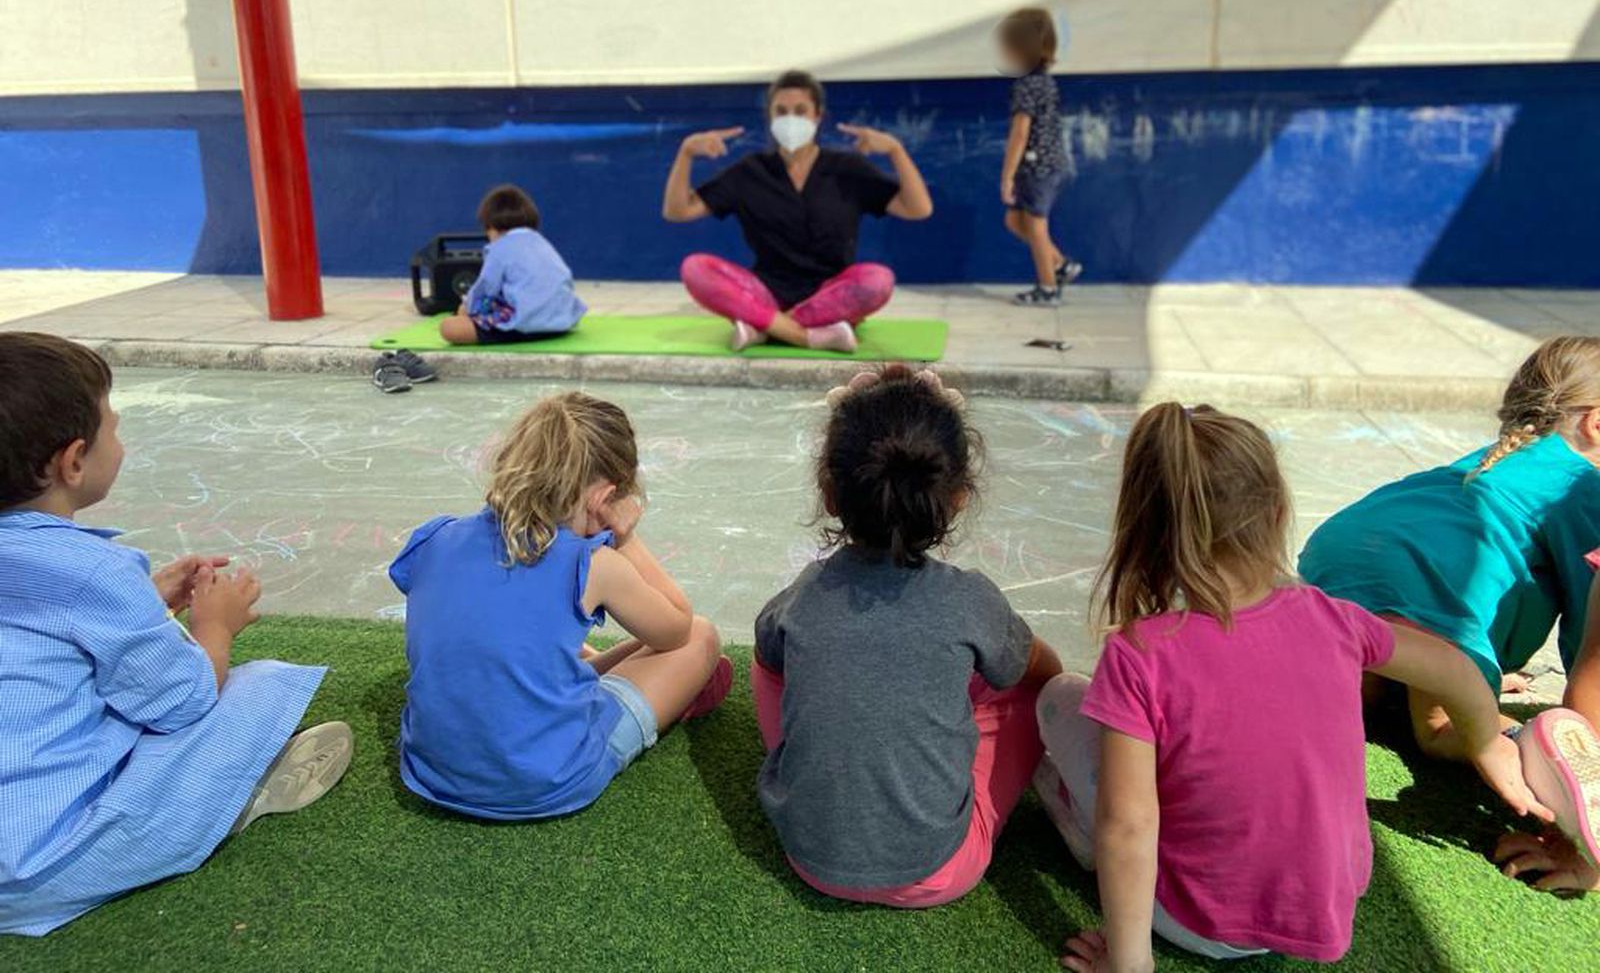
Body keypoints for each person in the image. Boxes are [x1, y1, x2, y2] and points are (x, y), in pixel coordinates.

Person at [1036, 403, 1551, 970]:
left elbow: (1129, 823)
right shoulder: (1335, 618)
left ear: (1144, 529)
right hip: (1330, 900)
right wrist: (1485, 742)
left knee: (1060, 696)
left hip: (1200, 921)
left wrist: (1130, 965)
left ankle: (1081, 843)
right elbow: (1455, 669)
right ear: (1279, 511)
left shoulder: (1140, 652)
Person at [0, 333, 351, 937]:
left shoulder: (73, 574)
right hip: (37, 870)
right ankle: (221, 802)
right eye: (115, 426)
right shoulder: (95, 572)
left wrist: (145, 604)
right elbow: (179, 700)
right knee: (256, 686)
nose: (121, 439)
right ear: (74, 461)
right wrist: (214, 629)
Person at [752, 365, 1062, 907]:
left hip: (808, 857)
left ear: (829, 492)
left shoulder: (804, 595)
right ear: (960, 496)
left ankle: (811, 770)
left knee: (768, 661)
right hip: (939, 871)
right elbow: (1039, 671)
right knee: (1037, 689)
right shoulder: (972, 601)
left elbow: (768, 653)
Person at [1299, 335, 1600, 891]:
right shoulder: (1588, 484)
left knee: (1363, 682)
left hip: (1343, 555)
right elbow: (1593, 646)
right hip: (1431, 584)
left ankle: (1368, 682)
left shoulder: (1504, 456)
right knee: (1440, 729)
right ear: (1596, 423)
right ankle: (1531, 748)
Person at [389, 391, 732, 819]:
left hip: (432, 769)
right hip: (547, 780)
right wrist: (626, 538)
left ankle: (580, 670)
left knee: (559, 656)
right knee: (701, 636)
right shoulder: (593, 563)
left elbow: (486, 621)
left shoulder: (434, 539)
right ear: (603, 499)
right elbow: (677, 629)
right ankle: (666, 698)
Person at [663, 69, 934, 353]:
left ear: (818, 115)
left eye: (800, 110)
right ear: (770, 118)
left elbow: (917, 208)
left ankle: (765, 328)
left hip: (831, 294)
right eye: (781, 111)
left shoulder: (847, 168)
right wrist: (686, 154)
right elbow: (678, 211)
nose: (790, 118)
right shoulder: (750, 171)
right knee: (695, 268)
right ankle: (809, 336)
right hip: (765, 292)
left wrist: (895, 150)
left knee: (878, 280)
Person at [995, 8, 1080, 307]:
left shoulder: (1026, 86)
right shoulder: (1044, 80)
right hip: (1050, 164)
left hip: (1035, 167)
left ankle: (1048, 288)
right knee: (1014, 220)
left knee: (1034, 226)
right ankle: (1060, 264)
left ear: (1020, 49)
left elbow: (1020, 132)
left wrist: (1007, 175)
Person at [438, 183, 586, 346]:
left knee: (449, 326)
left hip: (522, 325)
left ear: (491, 228)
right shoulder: (542, 242)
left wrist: (466, 307)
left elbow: (485, 289)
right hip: (560, 323)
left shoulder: (499, 248)